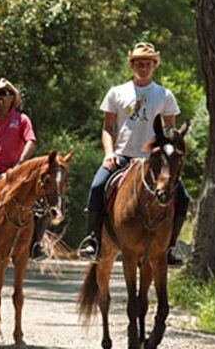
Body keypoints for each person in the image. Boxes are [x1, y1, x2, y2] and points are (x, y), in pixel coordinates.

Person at [78, 42, 189, 265]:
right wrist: (109, 154)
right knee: (97, 186)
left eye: (147, 63)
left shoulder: (165, 95)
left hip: (154, 161)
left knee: (183, 197)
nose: (143, 67)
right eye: (139, 63)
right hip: (122, 156)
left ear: (154, 65)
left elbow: (170, 133)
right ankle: (93, 240)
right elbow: (108, 128)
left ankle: (169, 247)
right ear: (131, 65)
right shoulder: (116, 92)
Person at [0, 78, 48, 261]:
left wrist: (21, 162)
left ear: (12, 97)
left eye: (4, 93)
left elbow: (31, 141)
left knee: (40, 200)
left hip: (15, 174)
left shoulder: (21, 119)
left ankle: (35, 243)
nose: (0, 97)